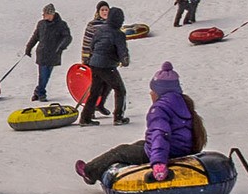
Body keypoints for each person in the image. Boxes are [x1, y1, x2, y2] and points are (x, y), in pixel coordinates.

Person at [77, 62, 206, 186]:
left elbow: (160, 134)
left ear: (160, 91)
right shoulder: (182, 102)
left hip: (169, 151)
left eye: (153, 90)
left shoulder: (159, 109)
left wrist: (159, 163)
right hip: (182, 147)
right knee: (137, 145)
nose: (150, 93)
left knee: (120, 151)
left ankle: (89, 171)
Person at [80, 7, 130, 125]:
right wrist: (124, 61)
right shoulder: (119, 34)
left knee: (95, 91)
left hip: (94, 64)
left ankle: (85, 118)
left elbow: (92, 46)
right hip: (107, 65)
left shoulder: (100, 30)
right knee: (120, 90)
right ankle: (118, 117)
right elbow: (122, 51)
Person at [22, 4, 71, 101]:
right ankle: (41, 93)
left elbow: (67, 37)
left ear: (50, 14)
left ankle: (37, 91)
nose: (43, 15)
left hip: (54, 54)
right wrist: (29, 47)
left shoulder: (61, 25)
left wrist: (61, 47)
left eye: (45, 13)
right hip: (42, 53)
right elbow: (35, 37)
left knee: (47, 76)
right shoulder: (41, 24)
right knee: (43, 75)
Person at [79, 0, 110, 65]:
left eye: (106, 10)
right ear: (98, 12)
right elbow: (87, 42)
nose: (104, 12)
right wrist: (85, 58)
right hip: (96, 57)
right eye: (102, 10)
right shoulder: (92, 25)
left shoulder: (113, 24)